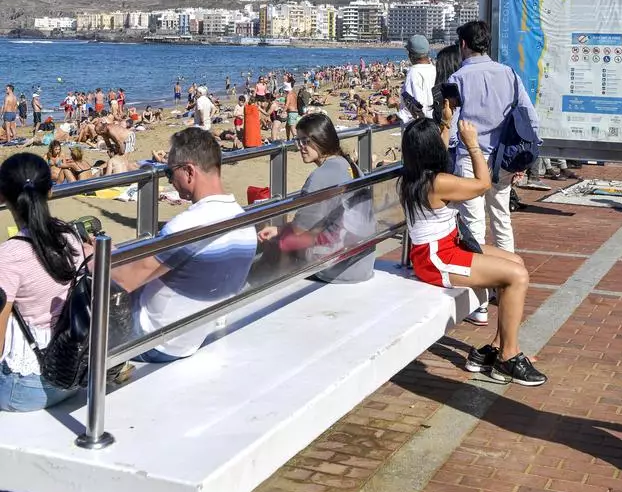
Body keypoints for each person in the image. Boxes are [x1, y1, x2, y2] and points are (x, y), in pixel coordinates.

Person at [400, 115, 546, 386]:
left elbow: (440, 150)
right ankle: (508, 359)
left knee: (516, 262)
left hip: (444, 248)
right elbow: (483, 185)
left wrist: (446, 123)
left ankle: (494, 350)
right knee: (517, 277)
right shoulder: (437, 182)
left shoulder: (415, 177)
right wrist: (472, 145)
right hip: (437, 258)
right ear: (432, 150)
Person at [112, 128, 257, 362]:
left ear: (189, 171)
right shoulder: (245, 223)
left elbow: (122, 281)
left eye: (170, 173)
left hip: (154, 340)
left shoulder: (187, 227)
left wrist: (97, 257)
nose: (170, 180)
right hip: (195, 333)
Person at [448, 20, 540, 326]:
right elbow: (529, 115)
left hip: (469, 159)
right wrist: (527, 155)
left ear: (463, 44)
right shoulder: (509, 74)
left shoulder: (458, 78)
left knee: (473, 224)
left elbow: (452, 126)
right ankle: (505, 285)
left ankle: (480, 302)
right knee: (501, 217)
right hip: (503, 158)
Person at [0, 153, 86, 410]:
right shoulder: (69, 236)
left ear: (2, 195)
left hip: (25, 387)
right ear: (50, 192)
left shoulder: (9, 256)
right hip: (71, 373)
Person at [258, 113, 375, 283]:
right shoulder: (349, 164)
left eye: (306, 141)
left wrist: (279, 234)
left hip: (338, 269)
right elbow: (314, 222)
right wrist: (279, 230)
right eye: (298, 141)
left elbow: (299, 230)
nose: (300, 147)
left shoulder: (320, 177)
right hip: (361, 261)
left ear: (322, 139)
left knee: (277, 247)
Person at [399, 36, 436, 126]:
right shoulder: (434, 69)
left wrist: (392, 118)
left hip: (418, 128)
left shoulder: (414, 72)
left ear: (411, 54)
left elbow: (414, 106)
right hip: (434, 123)